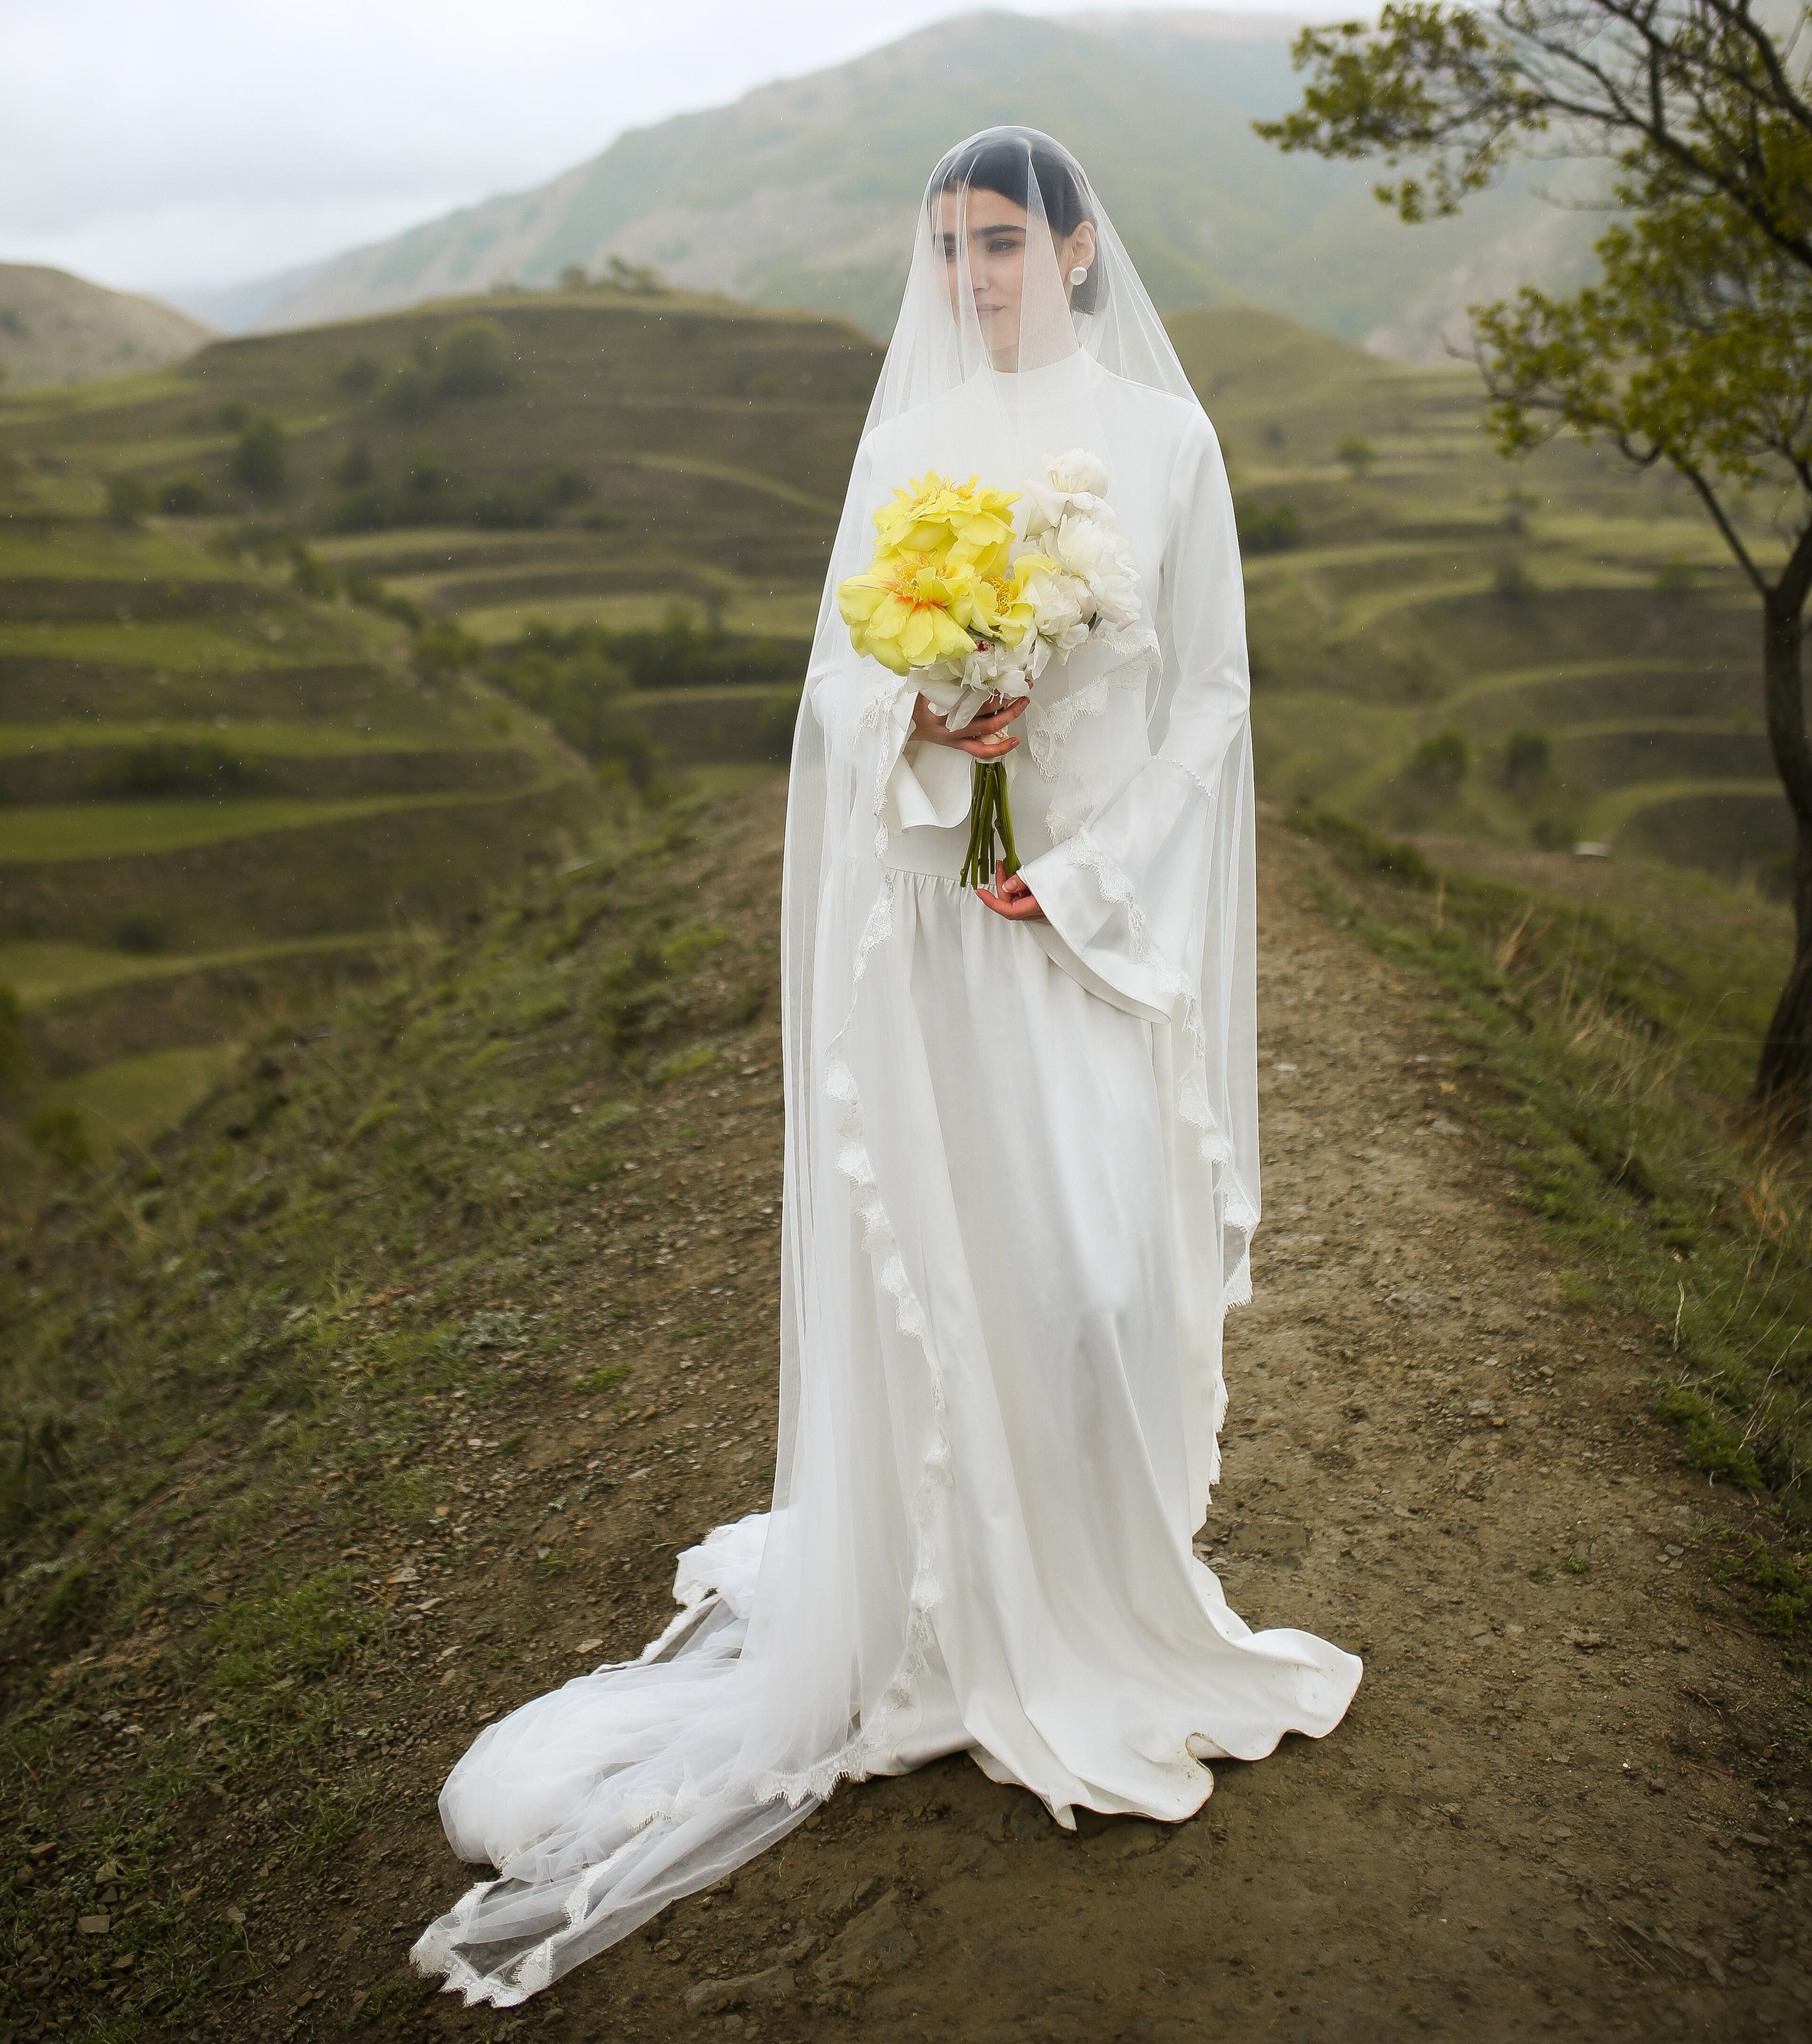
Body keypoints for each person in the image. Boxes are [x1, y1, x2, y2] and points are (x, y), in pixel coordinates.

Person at [412, 127, 1362, 2007]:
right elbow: (844, 690)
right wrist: (938, 727)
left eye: (1001, 241)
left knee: (1099, 1271)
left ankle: (1091, 1592)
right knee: (968, 1259)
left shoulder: (1166, 445)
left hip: (1078, 915)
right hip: (943, 908)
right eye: (946, 247)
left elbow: (1218, 697)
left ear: (1081, 244)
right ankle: (956, 1595)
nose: (973, 278)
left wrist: (1083, 871)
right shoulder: (912, 435)